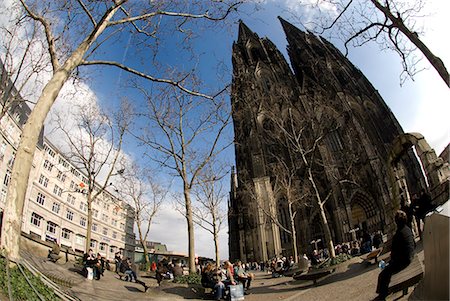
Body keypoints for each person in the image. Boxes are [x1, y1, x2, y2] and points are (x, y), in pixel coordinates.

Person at [375, 210, 415, 300]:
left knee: (383, 274)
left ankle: (382, 296)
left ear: (396, 222)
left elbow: (394, 253)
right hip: (410, 256)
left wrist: (390, 262)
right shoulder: (407, 229)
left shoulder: (399, 234)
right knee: (387, 270)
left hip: (404, 261)